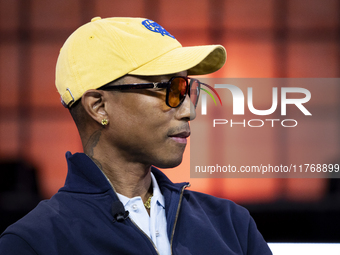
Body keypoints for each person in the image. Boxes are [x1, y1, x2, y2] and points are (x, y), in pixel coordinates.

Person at [0, 17, 272, 254]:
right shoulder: (34, 242)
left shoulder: (232, 224)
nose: (189, 111)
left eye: (189, 89)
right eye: (171, 88)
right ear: (99, 106)